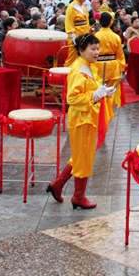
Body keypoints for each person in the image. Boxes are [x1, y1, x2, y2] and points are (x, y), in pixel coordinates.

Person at [46, 33, 114, 210]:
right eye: (93, 49)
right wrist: (94, 95)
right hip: (82, 119)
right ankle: (78, 196)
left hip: (88, 117)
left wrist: (103, 91)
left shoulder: (89, 66)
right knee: (83, 157)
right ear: (82, 50)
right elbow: (72, 98)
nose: (97, 52)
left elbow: (91, 89)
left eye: (98, 48)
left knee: (81, 155)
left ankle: (58, 184)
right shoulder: (79, 70)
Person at [94, 13, 126, 129]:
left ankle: (100, 112)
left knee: (98, 89)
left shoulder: (96, 36)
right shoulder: (115, 37)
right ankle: (108, 113)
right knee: (110, 91)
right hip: (112, 65)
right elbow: (120, 55)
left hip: (98, 65)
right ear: (111, 22)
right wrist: (122, 67)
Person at [64, 0, 91, 65]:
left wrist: (89, 30)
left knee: (83, 57)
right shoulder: (71, 7)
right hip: (75, 36)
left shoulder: (84, 6)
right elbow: (69, 23)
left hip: (85, 35)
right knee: (72, 57)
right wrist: (73, 37)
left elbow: (86, 21)